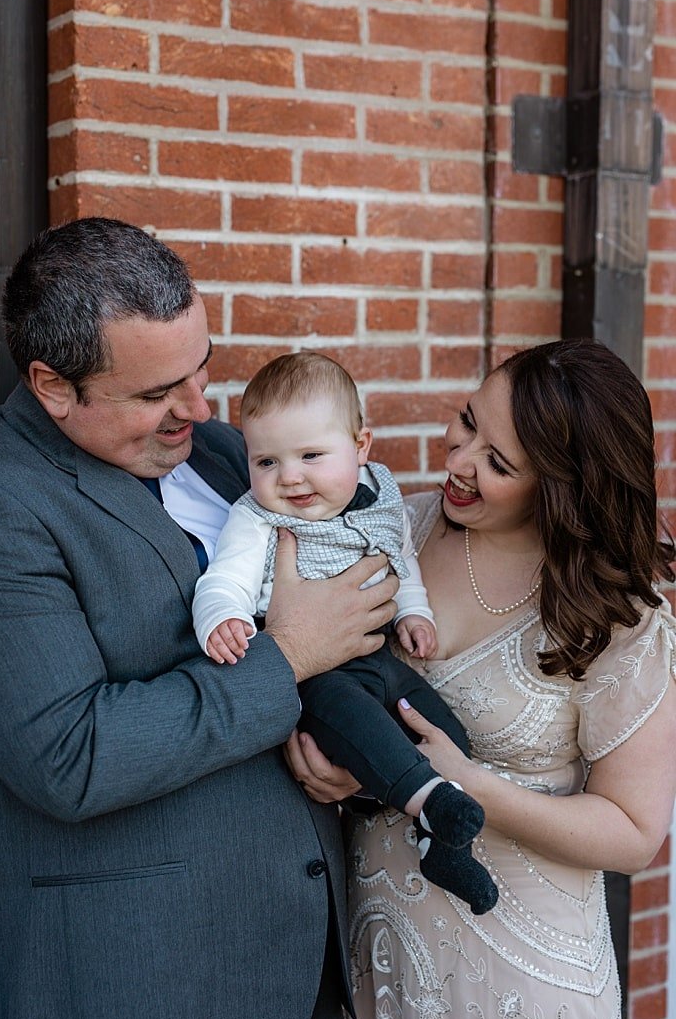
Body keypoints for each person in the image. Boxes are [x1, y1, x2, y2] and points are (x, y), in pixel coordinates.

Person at [0, 217, 401, 1019]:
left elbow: (348, 605)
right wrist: (287, 658)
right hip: (141, 974)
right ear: (54, 386)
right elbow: (69, 756)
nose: (199, 408)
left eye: (200, 369)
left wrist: (354, 754)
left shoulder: (226, 452)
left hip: (298, 949)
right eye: (155, 394)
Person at [288, 339, 676, 1019]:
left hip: (524, 979)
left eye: (498, 463)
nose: (459, 461)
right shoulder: (392, 531)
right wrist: (358, 769)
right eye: (467, 422)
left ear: (562, 486)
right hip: (377, 958)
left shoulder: (617, 615)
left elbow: (633, 833)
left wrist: (466, 784)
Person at [192, 351, 496, 915]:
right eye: (266, 461)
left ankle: (443, 848)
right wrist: (222, 617)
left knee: (445, 732)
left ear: (361, 446)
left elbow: (402, 562)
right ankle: (429, 803)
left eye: (311, 455)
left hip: (378, 656)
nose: (290, 477)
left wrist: (414, 613)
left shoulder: (382, 495)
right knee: (359, 723)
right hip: (315, 676)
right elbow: (225, 579)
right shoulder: (257, 518)